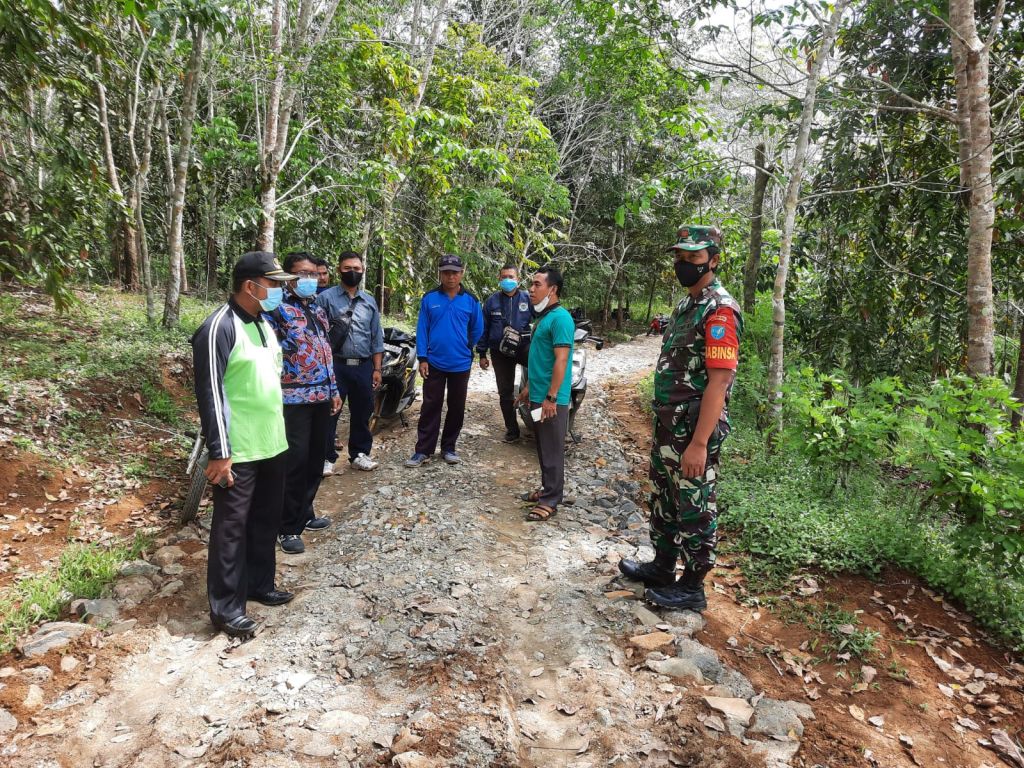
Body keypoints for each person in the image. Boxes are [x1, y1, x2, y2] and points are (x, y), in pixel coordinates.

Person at [618, 225, 742, 613]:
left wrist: (700, 443)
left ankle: (692, 585)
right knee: (665, 498)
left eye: (694, 258)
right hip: (670, 426)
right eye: (681, 257)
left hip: (693, 430)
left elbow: (719, 381)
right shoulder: (687, 304)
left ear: (714, 260)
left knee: (694, 502)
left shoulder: (719, 309)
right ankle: (662, 565)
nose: (684, 264)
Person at [191, 251, 296, 638]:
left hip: (272, 443)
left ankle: (259, 584)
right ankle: (226, 608)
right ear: (251, 286)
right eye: (275, 284)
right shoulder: (218, 327)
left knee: (266, 520)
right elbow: (211, 392)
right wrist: (220, 451)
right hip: (239, 450)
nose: (280, 291)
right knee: (231, 528)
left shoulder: (264, 324)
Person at [264, 252, 342, 555]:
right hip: (293, 399)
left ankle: (304, 511)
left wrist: (333, 388)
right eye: (302, 274)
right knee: (294, 463)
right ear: (288, 277)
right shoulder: (277, 309)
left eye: (313, 274)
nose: (309, 280)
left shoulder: (318, 310)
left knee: (315, 460)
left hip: (322, 396)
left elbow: (326, 353)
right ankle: (287, 527)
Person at [405, 254, 484, 467]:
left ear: (462, 274)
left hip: (460, 363)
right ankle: (423, 450)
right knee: (431, 406)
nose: (451, 276)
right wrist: (423, 357)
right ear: (440, 273)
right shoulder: (429, 299)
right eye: (446, 272)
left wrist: (467, 346)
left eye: (455, 272)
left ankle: (449, 447)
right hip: (434, 363)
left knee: (456, 406)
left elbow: (478, 328)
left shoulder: (471, 300)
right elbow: (422, 329)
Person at [513, 266, 574, 521]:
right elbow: (542, 360)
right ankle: (547, 489)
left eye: (537, 285)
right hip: (539, 395)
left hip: (552, 399)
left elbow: (561, 361)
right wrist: (529, 388)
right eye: (531, 285)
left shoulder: (561, 318)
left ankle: (551, 499)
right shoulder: (544, 319)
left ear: (553, 289)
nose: (531, 290)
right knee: (543, 445)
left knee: (552, 447)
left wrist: (551, 397)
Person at [316, 251, 384, 474]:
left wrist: (377, 368)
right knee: (330, 412)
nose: (352, 272)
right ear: (339, 270)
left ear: (362, 270)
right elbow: (317, 335)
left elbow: (376, 337)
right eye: (347, 268)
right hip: (335, 365)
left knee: (363, 411)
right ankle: (326, 456)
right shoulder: (325, 299)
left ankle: (360, 453)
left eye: (356, 268)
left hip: (364, 366)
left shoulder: (369, 301)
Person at [476, 264, 533, 442]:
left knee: (541, 376)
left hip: (524, 348)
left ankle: (540, 422)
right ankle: (512, 429)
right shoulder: (491, 301)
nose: (508, 280)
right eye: (504, 277)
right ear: (499, 279)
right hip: (499, 352)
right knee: (505, 392)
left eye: (511, 276)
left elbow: (540, 322)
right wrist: (482, 353)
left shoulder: (528, 298)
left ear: (518, 278)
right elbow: (483, 329)